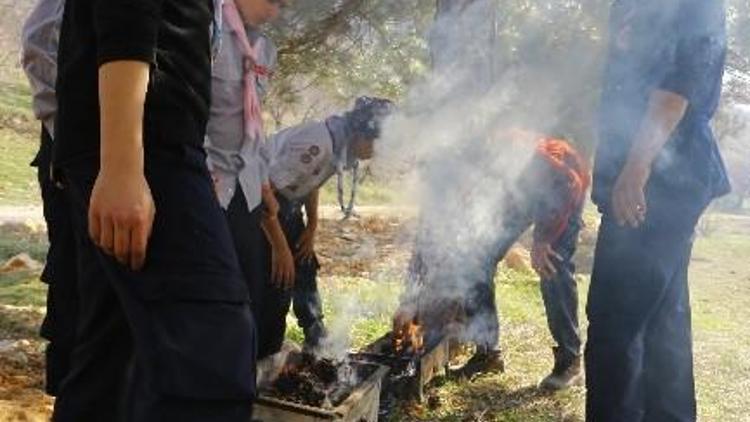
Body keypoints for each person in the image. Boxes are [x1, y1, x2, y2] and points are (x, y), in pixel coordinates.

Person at [50, 0, 257, 420]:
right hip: (149, 148)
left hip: (143, 147)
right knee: (212, 352)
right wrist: (122, 166)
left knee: (111, 363)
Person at [587, 0, 728, 420]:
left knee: (615, 325)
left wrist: (636, 167)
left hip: (663, 177)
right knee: (663, 322)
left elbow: (676, 87)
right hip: (643, 175)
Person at [396, 132, 589, 389]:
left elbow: (565, 182)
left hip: (563, 190)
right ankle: (487, 353)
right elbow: (427, 241)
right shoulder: (453, 183)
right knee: (477, 260)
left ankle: (570, 360)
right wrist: (410, 300)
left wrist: (542, 240)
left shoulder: (518, 157)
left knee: (552, 266)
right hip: (519, 196)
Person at [265, 96, 394, 351]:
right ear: (362, 134)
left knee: (304, 263)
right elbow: (263, 191)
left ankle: (315, 333)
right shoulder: (317, 144)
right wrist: (279, 248)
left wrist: (311, 226)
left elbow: (310, 182)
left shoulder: (339, 145)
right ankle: (264, 349)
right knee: (278, 276)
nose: (378, 151)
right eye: (378, 143)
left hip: (287, 205)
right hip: (259, 206)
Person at [206, 0, 290, 360]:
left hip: (246, 190)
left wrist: (264, 183)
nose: (277, 11)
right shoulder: (205, 29)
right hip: (208, 183)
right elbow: (186, 109)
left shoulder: (264, 49)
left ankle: (238, 382)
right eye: (273, 1)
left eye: (283, 5)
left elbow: (254, 121)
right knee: (211, 293)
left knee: (248, 290)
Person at [20, 0, 77, 397]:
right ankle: (66, 380)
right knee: (72, 266)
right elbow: (37, 42)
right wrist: (70, 135)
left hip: (111, 154)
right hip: (71, 156)